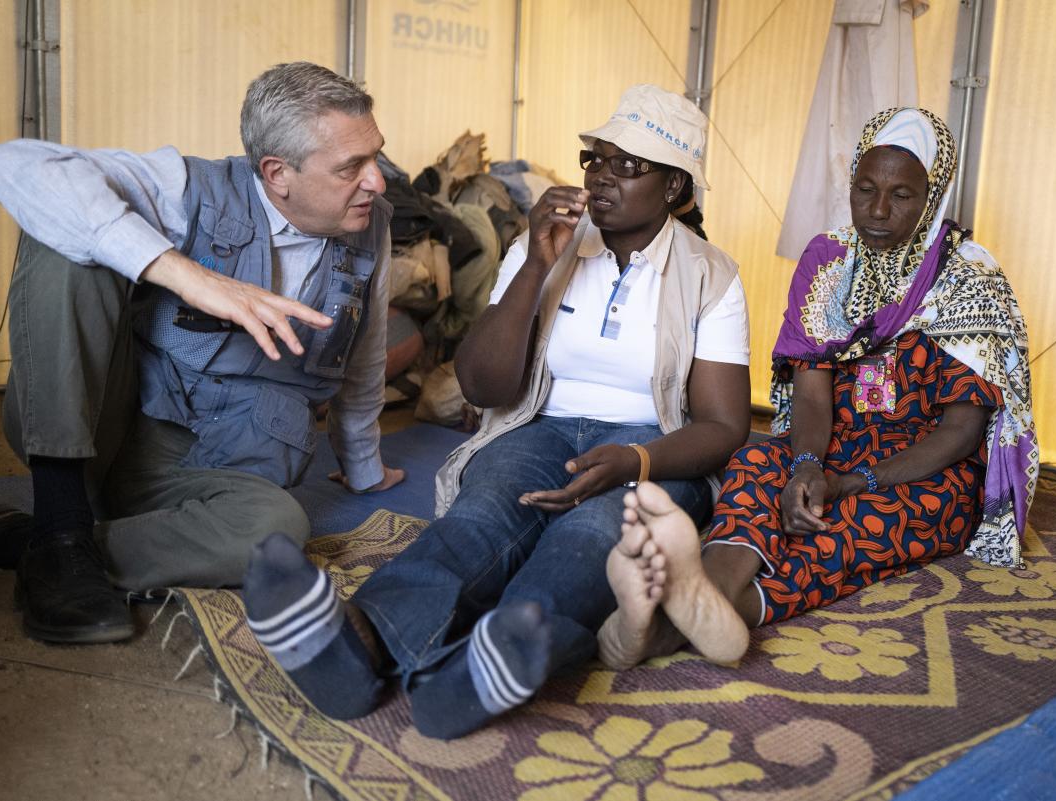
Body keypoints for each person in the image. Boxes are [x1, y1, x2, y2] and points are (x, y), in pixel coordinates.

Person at [241, 85, 751, 739]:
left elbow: (722, 426)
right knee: (482, 518)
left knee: (591, 538)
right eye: (596, 158)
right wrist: (536, 262)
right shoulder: (549, 242)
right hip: (541, 426)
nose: (601, 177)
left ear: (676, 186)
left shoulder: (713, 276)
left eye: (629, 165)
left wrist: (636, 459)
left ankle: (484, 664)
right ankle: (359, 643)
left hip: (654, 447)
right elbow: (483, 386)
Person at [0, 63, 404, 644]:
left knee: (277, 530)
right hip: (102, 435)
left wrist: (362, 465)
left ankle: (43, 541)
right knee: (67, 237)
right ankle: (62, 507)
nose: (376, 181)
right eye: (352, 167)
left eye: (375, 156)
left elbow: (365, 354)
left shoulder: (371, 227)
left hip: (219, 476)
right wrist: (183, 274)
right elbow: (7, 162)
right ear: (277, 173)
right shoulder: (186, 187)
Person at [600, 107, 1038, 668]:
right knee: (757, 464)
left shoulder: (970, 281)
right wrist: (808, 463)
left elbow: (960, 430)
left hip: (925, 464)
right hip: (833, 438)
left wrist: (853, 482)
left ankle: (672, 623)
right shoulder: (829, 260)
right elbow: (811, 395)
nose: (877, 210)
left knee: (861, 523)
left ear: (933, 197)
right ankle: (704, 599)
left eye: (901, 195)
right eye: (865, 188)